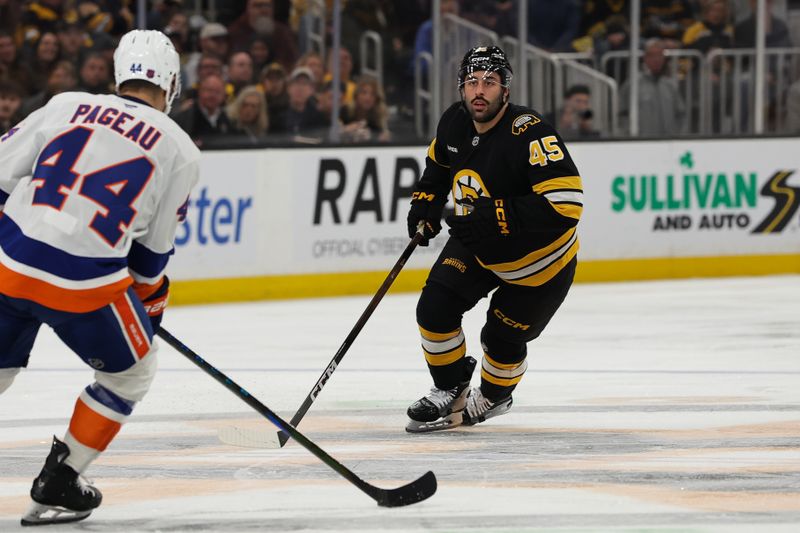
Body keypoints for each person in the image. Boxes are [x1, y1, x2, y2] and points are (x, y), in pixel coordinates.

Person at [0, 29, 199, 526]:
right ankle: (60, 480)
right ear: (171, 83)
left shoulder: (65, 103)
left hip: (10, 261)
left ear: (117, 74)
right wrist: (146, 312)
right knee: (131, 373)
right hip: (82, 284)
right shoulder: (180, 147)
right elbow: (149, 266)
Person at [404, 46, 583, 432]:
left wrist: (497, 215)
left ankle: (495, 396)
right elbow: (438, 166)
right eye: (471, 82)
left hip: (540, 265)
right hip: (478, 242)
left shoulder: (529, 131)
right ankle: (449, 387)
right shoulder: (454, 122)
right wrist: (425, 203)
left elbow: (567, 205)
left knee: (500, 341)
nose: (479, 90)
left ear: (506, 89)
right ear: (461, 88)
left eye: (489, 81)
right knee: (433, 309)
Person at [618, 38, 686, 136]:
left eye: (659, 55)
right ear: (645, 58)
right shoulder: (632, 85)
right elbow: (622, 114)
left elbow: (681, 115)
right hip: (641, 145)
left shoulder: (670, 86)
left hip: (669, 145)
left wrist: (677, 136)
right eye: (652, 55)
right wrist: (629, 137)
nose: (656, 59)